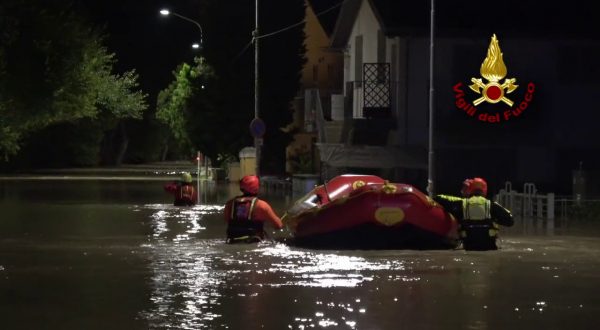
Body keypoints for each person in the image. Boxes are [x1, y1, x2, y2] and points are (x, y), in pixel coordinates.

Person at [434, 177, 514, 250]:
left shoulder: (461, 203)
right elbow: (510, 220)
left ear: (470, 189)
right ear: (484, 190)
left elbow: (438, 198)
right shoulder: (491, 204)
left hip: (469, 247)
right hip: (490, 247)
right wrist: (495, 219)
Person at [223, 175, 284, 243]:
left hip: (232, 241)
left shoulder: (230, 204)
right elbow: (278, 225)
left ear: (241, 187)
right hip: (254, 242)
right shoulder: (262, 205)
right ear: (257, 188)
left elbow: (226, 220)